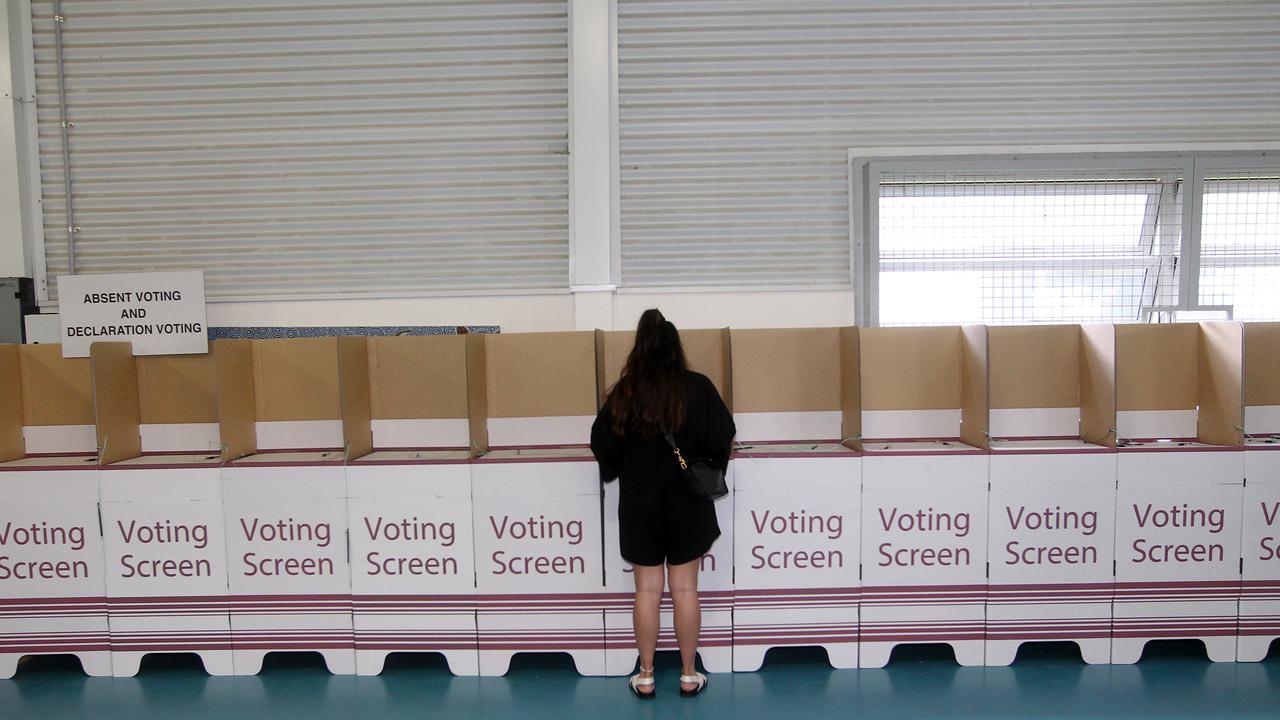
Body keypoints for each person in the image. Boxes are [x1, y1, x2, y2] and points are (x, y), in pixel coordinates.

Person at [590, 309, 735, 698]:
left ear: (640, 349)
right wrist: (706, 464)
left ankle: (647, 674)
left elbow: (602, 442)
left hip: (641, 503)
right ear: (676, 348)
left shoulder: (626, 392)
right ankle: (689, 674)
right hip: (687, 502)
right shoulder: (699, 387)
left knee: (647, 591)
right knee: (686, 590)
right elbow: (724, 435)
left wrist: (622, 465)